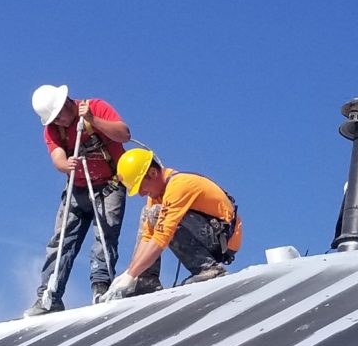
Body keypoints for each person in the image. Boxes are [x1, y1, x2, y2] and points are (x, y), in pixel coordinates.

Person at [25, 84, 130, 317]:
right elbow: (57, 157)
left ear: (67, 103)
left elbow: (124, 134)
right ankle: (49, 296)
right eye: (54, 118)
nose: (59, 121)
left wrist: (93, 120)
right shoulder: (53, 129)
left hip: (110, 184)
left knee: (105, 234)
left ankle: (101, 287)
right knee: (61, 240)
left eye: (60, 114)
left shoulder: (95, 108)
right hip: (77, 189)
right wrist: (65, 165)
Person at [106, 148, 242, 299]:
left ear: (152, 173)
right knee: (148, 213)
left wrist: (131, 274)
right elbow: (148, 236)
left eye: (141, 187)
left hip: (222, 240)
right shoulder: (157, 194)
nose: (141, 193)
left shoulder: (179, 185)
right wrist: (130, 272)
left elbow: (161, 237)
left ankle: (210, 269)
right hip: (210, 234)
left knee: (157, 213)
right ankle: (146, 281)